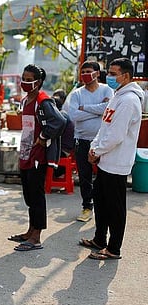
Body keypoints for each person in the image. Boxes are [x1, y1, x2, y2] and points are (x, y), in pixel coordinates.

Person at [80, 57, 143, 260]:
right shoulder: (117, 96)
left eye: (114, 73)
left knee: (115, 207)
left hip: (117, 162)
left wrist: (96, 151)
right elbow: (104, 126)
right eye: (109, 72)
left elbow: (116, 135)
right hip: (105, 159)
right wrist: (94, 148)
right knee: (101, 201)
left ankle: (114, 248)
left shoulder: (129, 100)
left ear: (126, 76)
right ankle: (100, 239)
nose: (110, 76)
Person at [7, 64, 66, 251]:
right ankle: (30, 230)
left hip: (38, 156)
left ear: (38, 82)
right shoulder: (26, 100)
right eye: (23, 77)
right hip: (26, 153)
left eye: (28, 78)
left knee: (36, 195)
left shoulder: (43, 101)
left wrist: (42, 139)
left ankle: (36, 237)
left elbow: (60, 121)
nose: (24, 81)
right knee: (29, 195)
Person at [67, 61, 113, 222]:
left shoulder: (107, 90)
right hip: (82, 140)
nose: (85, 74)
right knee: (85, 176)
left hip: (102, 141)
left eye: (88, 71)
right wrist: (97, 110)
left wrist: (84, 108)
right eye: (83, 72)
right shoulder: (77, 94)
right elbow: (73, 116)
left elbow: (108, 110)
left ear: (97, 73)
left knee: (104, 175)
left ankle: (104, 207)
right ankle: (87, 207)